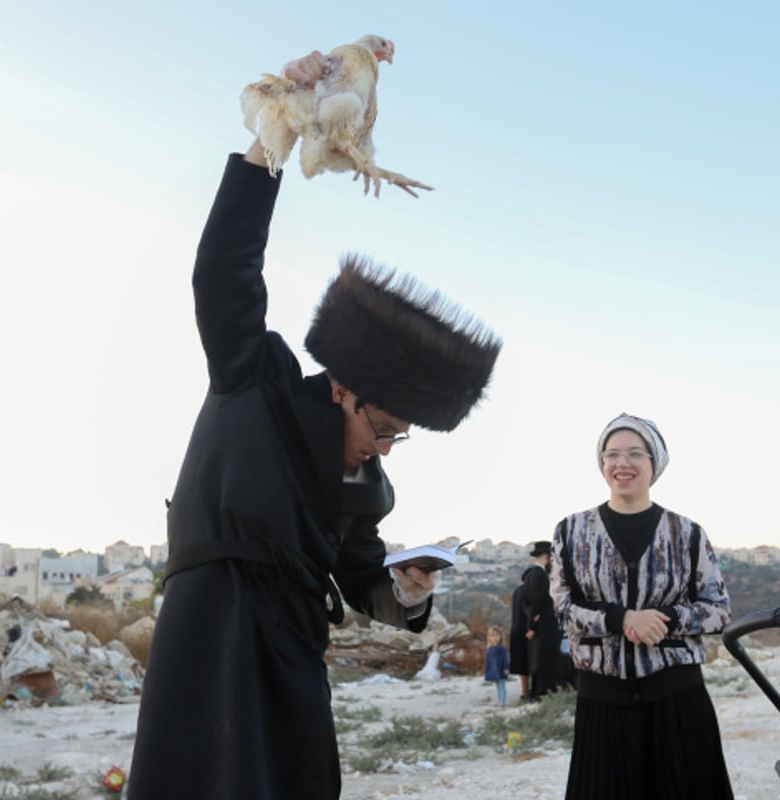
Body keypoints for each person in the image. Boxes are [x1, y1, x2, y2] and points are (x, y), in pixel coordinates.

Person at [126, 52, 501, 800]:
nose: (387, 448)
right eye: (385, 426)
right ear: (342, 391)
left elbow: (366, 585)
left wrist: (412, 589)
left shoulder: (368, 487)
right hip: (212, 626)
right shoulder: (254, 382)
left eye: (401, 438)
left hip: (293, 645)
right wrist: (275, 137)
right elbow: (223, 271)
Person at [549, 413, 733, 799]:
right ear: (602, 464)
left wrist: (666, 620)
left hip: (677, 699)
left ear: (655, 464)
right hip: (603, 701)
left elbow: (718, 609)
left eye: (635, 454)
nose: (622, 464)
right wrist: (620, 619)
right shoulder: (571, 531)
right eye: (612, 454)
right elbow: (563, 608)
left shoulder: (686, 533)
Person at [523, 540, 562, 700]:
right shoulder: (540, 575)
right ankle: (541, 692)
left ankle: (538, 691)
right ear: (547, 557)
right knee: (544, 660)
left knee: (538, 660)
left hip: (540, 624)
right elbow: (537, 602)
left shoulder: (532, 574)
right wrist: (533, 624)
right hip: (544, 625)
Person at [509, 579, 531, 701]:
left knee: (522, 667)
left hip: (516, 630)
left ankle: (525, 692)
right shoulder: (530, 592)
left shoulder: (518, 591)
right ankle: (529, 692)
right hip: (527, 632)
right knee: (529, 664)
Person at [483, 625, 509, 707]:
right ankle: (499, 700)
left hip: (501, 670)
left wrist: (506, 668)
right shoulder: (490, 648)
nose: (495, 637)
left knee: (502, 686)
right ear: (489, 637)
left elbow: (506, 659)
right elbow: (488, 660)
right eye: (492, 635)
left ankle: (502, 701)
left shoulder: (502, 648)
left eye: (497, 635)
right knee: (497, 686)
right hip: (494, 671)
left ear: (500, 636)